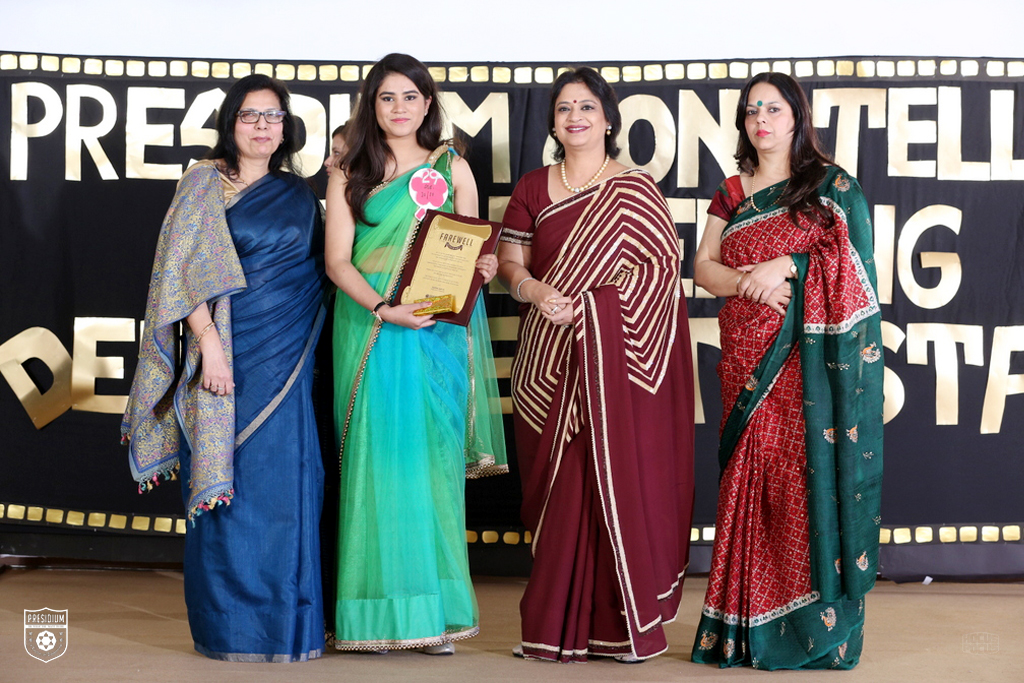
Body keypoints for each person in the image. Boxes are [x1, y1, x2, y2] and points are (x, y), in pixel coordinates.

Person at [122, 74, 328, 662]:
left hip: (288, 361)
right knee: (227, 486)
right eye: (250, 115)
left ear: (286, 128)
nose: (262, 126)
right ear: (231, 123)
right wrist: (210, 345)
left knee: (288, 484)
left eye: (273, 116)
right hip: (222, 361)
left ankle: (290, 630)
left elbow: (326, 271)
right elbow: (177, 274)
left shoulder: (299, 195)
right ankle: (229, 630)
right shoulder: (202, 183)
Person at [496, 66, 695, 663]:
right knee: (560, 492)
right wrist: (534, 291)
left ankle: (621, 628)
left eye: (586, 106)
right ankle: (553, 628)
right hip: (547, 361)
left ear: (609, 119)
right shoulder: (533, 187)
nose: (575, 117)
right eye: (564, 108)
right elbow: (509, 262)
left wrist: (590, 310)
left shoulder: (637, 189)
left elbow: (660, 277)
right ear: (553, 123)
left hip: (616, 370)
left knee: (613, 481)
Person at [690, 71, 883, 670]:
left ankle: (816, 633)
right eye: (751, 111)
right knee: (749, 482)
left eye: (773, 109)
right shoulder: (732, 191)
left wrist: (790, 264)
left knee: (806, 479)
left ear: (797, 116)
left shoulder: (830, 187)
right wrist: (748, 282)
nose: (761, 120)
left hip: (809, 365)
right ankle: (745, 630)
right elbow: (703, 266)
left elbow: (854, 264)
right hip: (746, 356)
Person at [324, 52, 507, 654]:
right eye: (386, 97)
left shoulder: (453, 167)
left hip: (434, 333)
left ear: (428, 103)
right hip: (371, 328)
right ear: (371, 105)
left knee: (429, 464)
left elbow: (473, 247)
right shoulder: (349, 170)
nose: (399, 108)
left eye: (410, 96)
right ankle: (376, 618)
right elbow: (337, 262)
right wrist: (384, 308)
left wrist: (483, 265)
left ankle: (433, 615)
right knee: (378, 461)